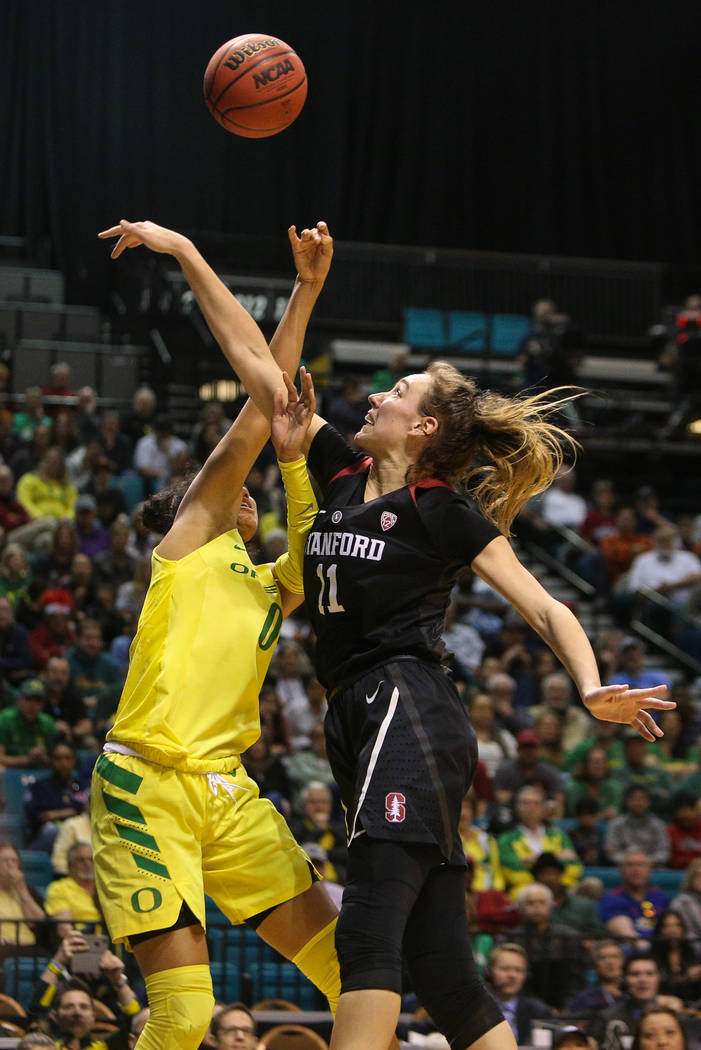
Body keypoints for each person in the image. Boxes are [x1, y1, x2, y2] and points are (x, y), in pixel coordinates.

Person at [153, 213, 677, 1050]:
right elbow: (258, 365)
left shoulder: (439, 510)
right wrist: (192, 255)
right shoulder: (338, 470)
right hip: (357, 714)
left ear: (424, 428)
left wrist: (587, 686)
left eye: (397, 394)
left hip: (408, 703)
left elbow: (543, 604)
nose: (376, 395)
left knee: (365, 930)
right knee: (442, 969)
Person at [94, 218, 341, 1050]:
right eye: (222, 480)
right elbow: (262, 399)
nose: (242, 484)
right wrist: (187, 251)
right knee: (185, 1016)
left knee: (355, 970)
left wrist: (307, 288)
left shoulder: (267, 580)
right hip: (148, 784)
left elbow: (309, 562)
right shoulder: (189, 542)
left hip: (225, 792)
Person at [485, 943, 551, 1044]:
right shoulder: (476, 1011)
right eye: (505, 969)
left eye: (519, 970)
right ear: (489, 972)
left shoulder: (539, 1012)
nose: (512, 975)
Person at [598, 849, 670, 943]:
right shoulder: (611, 899)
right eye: (630, 865)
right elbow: (622, 931)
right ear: (621, 870)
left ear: (650, 870)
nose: (636, 870)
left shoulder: (661, 897)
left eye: (641, 865)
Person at [567, 940, 626, 1013]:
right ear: (594, 964)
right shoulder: (584, 999)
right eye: (603, 958)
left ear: (623, 961)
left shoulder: (632, 994)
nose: (610, 962)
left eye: (614, 957)